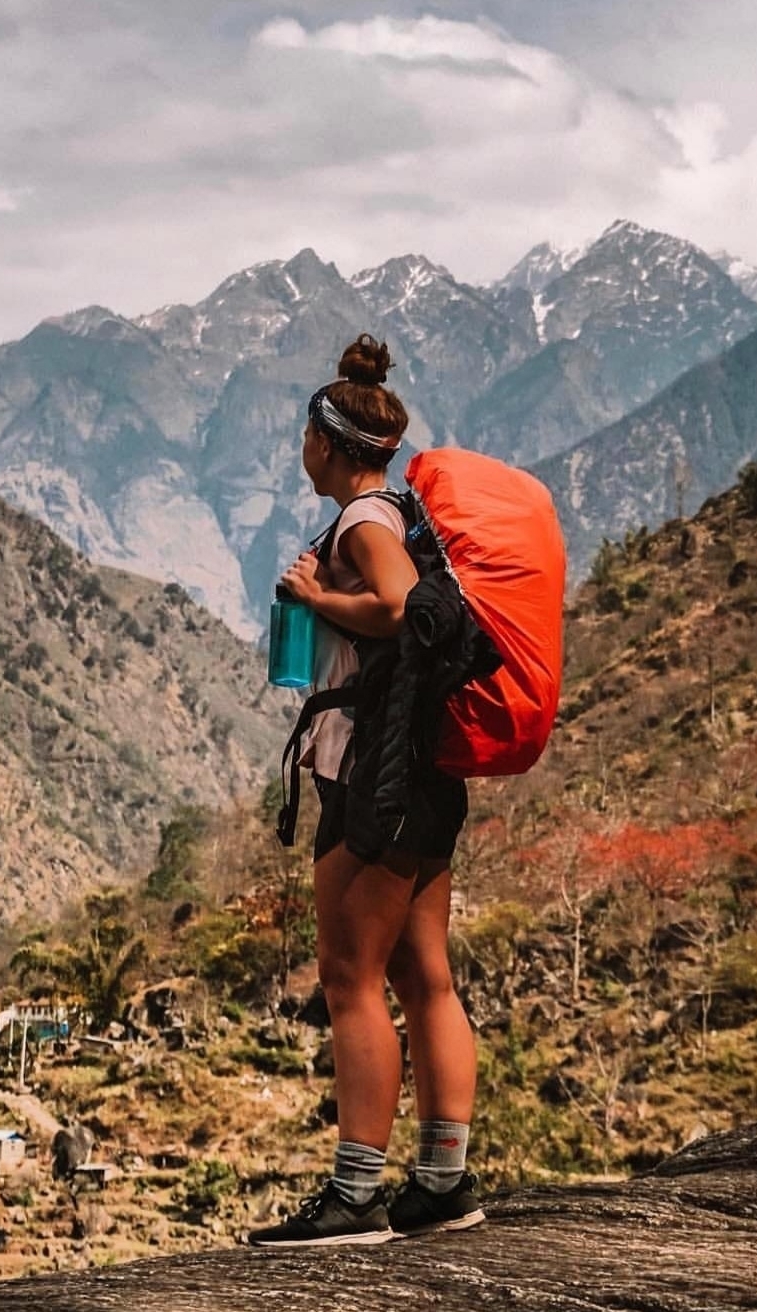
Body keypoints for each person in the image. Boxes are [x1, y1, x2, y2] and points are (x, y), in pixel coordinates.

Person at [247, 334, 484, 1247]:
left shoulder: (363, 522)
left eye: (305, 437)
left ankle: (356, 1197)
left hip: (376, 777)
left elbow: (395, 606)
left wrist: (316, 601)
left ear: (327, 442)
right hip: (423, 770)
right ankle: (443, 1182)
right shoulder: (397, 510)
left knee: (350, 977)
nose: (300, 450)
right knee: (423, 973)